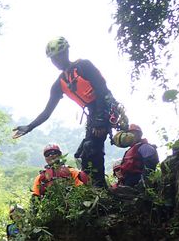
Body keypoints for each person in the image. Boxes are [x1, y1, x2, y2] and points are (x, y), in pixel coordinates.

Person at [12, 37, 122, 188]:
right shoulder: (59, 83)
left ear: (67, 52)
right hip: (92, 112)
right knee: (82, 154)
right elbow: (47, 111)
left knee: (92, 147)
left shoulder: (84, 66)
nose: (57, 60)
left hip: (104, 107)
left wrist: (100, 121)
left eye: (60, 55)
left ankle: (100, 188)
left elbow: (102, 90)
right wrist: (29, 127)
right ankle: (94, 186)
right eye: (53, 58)